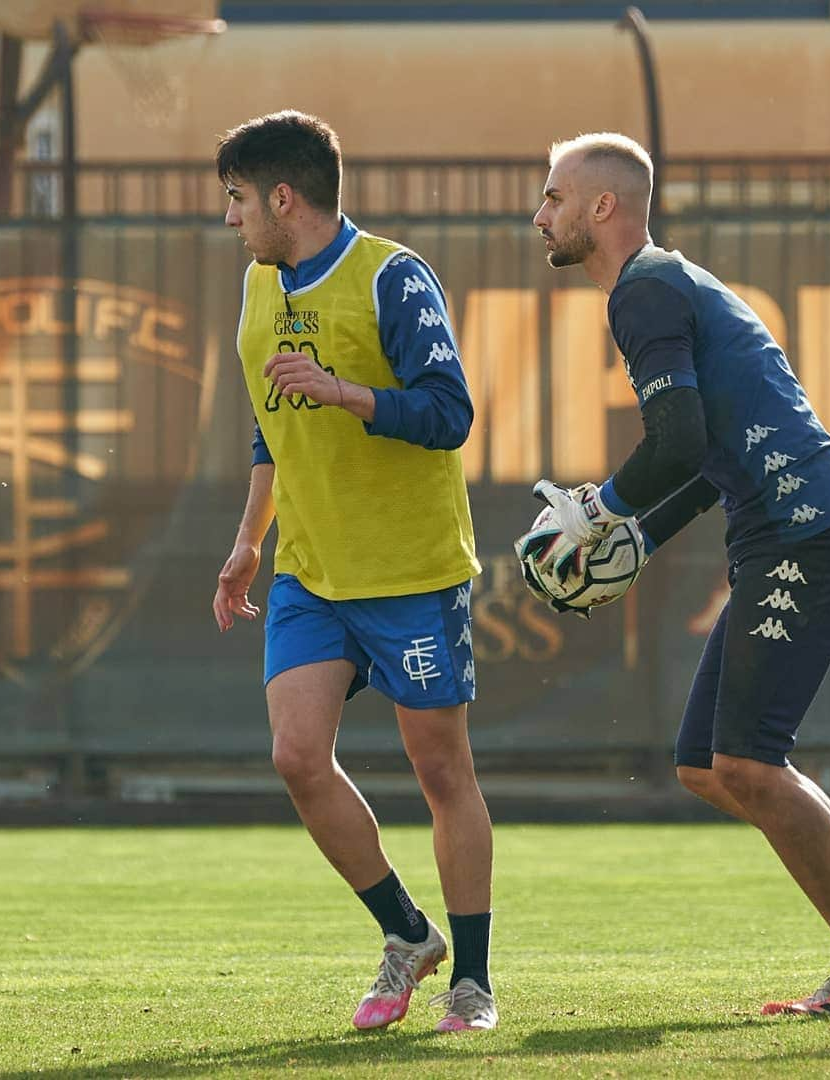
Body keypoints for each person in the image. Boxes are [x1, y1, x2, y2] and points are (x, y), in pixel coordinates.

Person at [517, 132, 830, 1017]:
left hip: (806, 531)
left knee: (750, 765)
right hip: (793, 529)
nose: (541, 215)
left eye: (555, 197)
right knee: (705, 765)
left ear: (603, 206)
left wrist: (598, 510)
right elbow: (706, 455)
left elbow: (677, 441)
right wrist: (639, 537)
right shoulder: (665, 281)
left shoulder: (642, 291)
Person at [212, 110, 497, 1033]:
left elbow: (448, 413)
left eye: (237, 200)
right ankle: (409, 936)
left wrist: (344, 392)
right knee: (297, 757)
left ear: (282, 197)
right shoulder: (259, 284)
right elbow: (270, 423)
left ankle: (473, 981)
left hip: (410, 568)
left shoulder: (393, 277)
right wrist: (250, 539)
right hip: (310, 568)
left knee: (440, 769)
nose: (231, 219)